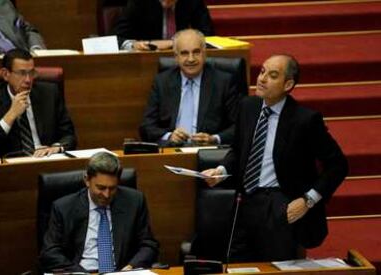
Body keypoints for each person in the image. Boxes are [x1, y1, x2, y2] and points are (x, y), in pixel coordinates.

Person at [202, 54, 348, 261]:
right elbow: (238, 150)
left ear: (288, 84)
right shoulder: (248, 107)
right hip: (245, 202)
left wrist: (308, 200)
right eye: (262, 72)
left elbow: (338, 166)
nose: (261, 79)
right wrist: (221, 171)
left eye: (272, 75)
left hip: (280, 204)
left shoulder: (305, 120)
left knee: (275, 267)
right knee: (236, 265)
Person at [39, 152, 159, 273]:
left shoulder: (134, 201)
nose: (106, 195)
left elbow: (148, 245)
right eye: (101, 188)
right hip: (81, 271)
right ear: (87, 180)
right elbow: (50, 252)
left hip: (120, 271)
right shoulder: (64, 207)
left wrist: (131, 267)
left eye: (112, 188)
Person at [139, 29, 239, 146]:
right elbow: (147, 126)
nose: (191, 59)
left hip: (207, 152)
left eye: (196, 52)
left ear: (204, 53)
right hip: (172, 150)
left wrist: (214, 138)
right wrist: (169, 136)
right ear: (176, 57)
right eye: (184, 53)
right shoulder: (162, 82)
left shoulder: (223, 82)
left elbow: (239, 126)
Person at [0, 48, 76, 157]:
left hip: (46, 159)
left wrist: (56, 147)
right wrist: (11, 115)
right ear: (5, 74)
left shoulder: (49, 93)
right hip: (10, 165)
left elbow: (69, 135)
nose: (28, 80)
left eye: (31, 73)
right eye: (22, 73)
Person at [111, 0, 214, 51]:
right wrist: (133, 45)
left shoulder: (192, 1)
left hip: (182, 56)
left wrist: (176, 42)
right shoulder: (139, 2)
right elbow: (115, 39)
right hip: (146, 59)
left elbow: (208, 35)